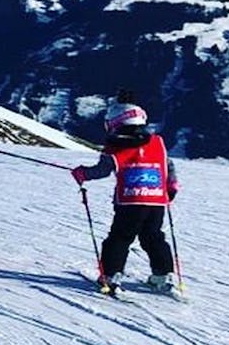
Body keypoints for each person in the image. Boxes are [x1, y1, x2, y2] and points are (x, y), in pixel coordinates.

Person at [72, 98, 180, 295]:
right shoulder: (157, 143)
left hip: (129, 202)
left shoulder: (115, 146)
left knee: (120, 238)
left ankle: (111, 276)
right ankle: (163, 276)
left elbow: (102, 170)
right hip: (156, 200)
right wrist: (171, 185)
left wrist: (82, 173)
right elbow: (168, 165)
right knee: (154, 237)